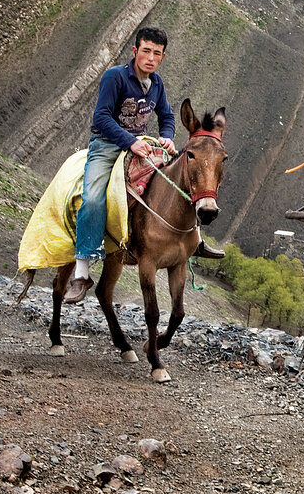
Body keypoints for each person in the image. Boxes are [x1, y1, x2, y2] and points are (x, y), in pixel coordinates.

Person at [63, 26, 221, 304]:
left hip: (144, 146)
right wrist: (129, 142)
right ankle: (81, 272)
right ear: (135, 51)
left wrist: (168, 138)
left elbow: (167, 117)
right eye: (146, 51)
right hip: (107, 146)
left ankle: (193, 239)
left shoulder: (156, 84)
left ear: (162, 57)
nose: (150, 57)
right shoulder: (115, 77)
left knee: (182, 181)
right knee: (93, 199)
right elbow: (101, 117)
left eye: (156, 53)